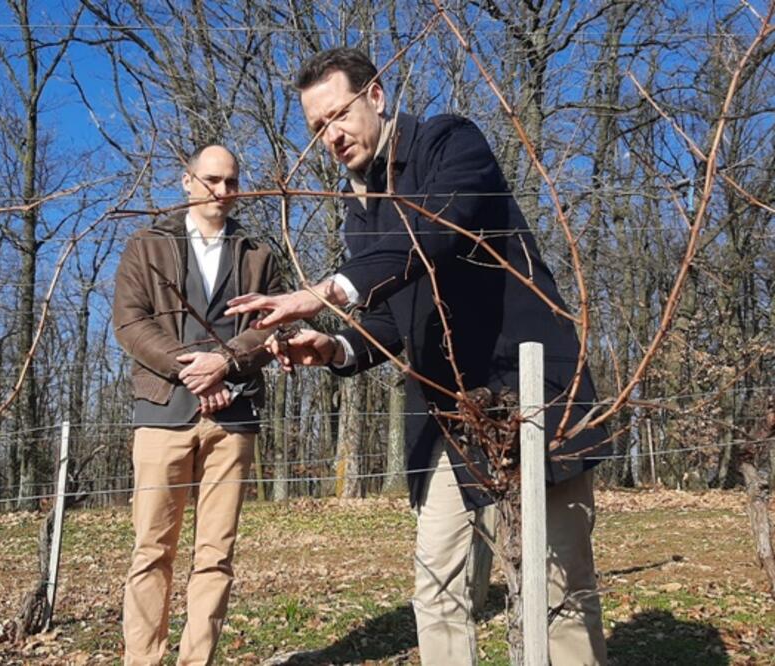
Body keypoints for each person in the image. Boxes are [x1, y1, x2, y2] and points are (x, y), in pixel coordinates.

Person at [225, 48, 609, 664]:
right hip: (446, 419)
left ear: (374, 96)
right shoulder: (361, 212)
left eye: (337, 115)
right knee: (437, 589)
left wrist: (322, 291)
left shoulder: (449, 143)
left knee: (557, 587)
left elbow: (436, 229)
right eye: (317, 128)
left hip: (531, 391)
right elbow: (387, 316)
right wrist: (336, 344)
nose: (330, 135)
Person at [113, 144, 281, 665]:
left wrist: (226, 363)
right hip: (162, 412)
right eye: (212, 180)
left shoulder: (258, 253)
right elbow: (130, 323)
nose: (223, 192)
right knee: (151, 551)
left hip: (234, 419)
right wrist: (195, 367)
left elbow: (274, 325)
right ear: (186, 181)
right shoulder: (146, 245)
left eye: (232, 182)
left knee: (215, 556)